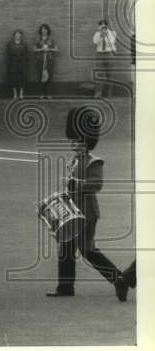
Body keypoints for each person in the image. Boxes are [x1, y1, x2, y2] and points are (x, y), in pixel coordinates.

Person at [47, 107, 127, 300]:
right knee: (66, 247)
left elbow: (97, 184)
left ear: (86, 141)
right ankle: (65, 288)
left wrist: (75, 184)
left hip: (86, 213)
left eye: (76, 139)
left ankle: (119, 279)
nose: (72, 142)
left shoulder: (94, 161)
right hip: (72, 211)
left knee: (87, 250)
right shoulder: (75, 160)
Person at [92, 19, 117, 98]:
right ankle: (98, 94)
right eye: (101, 25)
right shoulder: (97, 33)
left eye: (104, 25)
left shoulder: (112, 33)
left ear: (107, 26)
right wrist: (100, 35)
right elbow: (95, 42)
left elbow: (111, 42)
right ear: (99, 26)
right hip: (100, 55)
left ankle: (109, 94)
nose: (103, 27)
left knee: (110, 75)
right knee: (99, 75)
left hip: (109, 54)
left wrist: (106, 35)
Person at [34, 23, 58, 99]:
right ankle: (41, 94)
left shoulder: (51, 39)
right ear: (40, 30)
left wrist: (49, 49)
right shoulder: (37, 39)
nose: (44, 31)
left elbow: (56, 49)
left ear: (48, 30)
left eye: (45, 29)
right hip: (40, 60)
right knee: (40, 77)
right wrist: (41, 49)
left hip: (49, 60)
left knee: (49, 77)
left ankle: (49, 94)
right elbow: (34, 49)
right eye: (42, 29)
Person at [6, 29, 28, 99]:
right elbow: (8, 54)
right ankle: (15, 94)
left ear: (21, 36)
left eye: (19, 35)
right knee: (13, 79)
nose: (18, 36)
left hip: (22, 64)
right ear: (14, 36)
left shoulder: (24, 44)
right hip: (13, 64)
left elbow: (26, 54)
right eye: (16, 35)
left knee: (22, 79)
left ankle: (21, 94)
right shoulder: (10, 44)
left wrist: (25, 62)